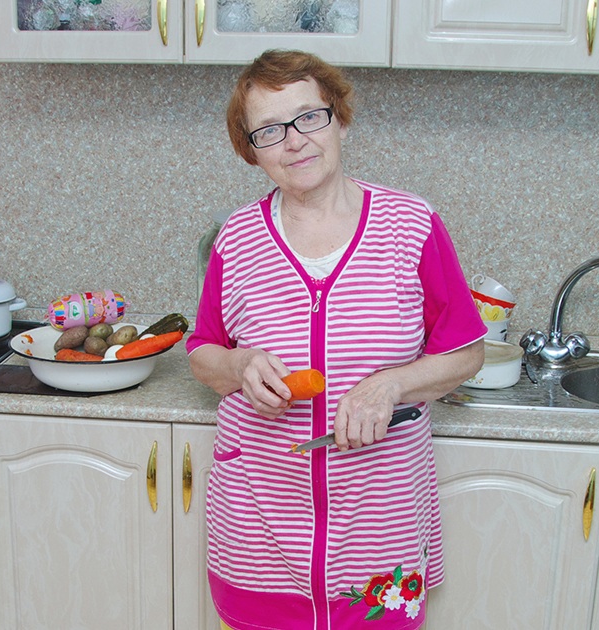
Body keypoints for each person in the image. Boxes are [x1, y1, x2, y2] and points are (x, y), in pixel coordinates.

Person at [187, 49, 486, 630]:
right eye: (270, 130)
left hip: (380, 527)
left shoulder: (411, 225)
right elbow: (203, 354)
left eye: (309, 117)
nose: (294, 141)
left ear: (340, 119)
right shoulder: (236, 240)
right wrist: (241, 365)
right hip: (257, 529)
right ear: (252, 150)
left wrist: (391, 385)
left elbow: (466, 352)